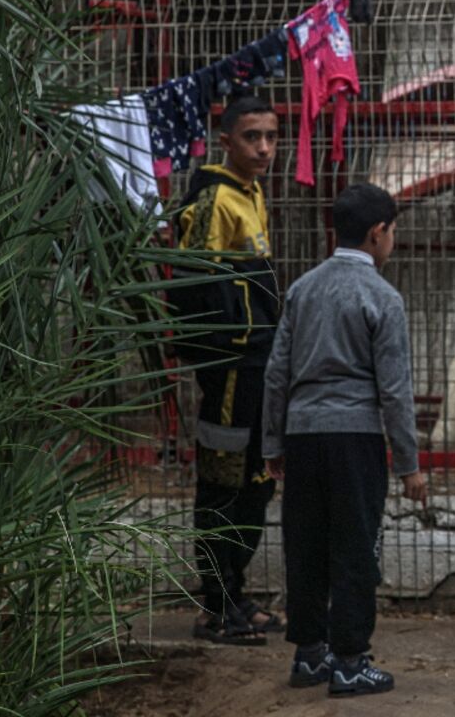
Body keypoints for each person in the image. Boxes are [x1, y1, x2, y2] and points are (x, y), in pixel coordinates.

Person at [261, 183, 427, 698]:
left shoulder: (302, 289)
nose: (393, 240)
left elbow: (276, 374)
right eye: (393, 232)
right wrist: (409, 464)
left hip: (303, 437)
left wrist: (272, 445)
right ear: (377, 234)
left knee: (306, 545)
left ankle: (310, 654)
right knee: (356, 548)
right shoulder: (382, 297)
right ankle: (352, 661)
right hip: (355, 439)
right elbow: (394, 391)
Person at [170, 93, 283, 646]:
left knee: (256, 483)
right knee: (222, 483)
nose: (264, 148)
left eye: (271, 136)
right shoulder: (215, 198)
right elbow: (196, 285)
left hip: (258, 366)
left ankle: (234, 593)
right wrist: (224, 352)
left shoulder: (252, 192)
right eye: (251, 137)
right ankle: (216, 606)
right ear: (226, 140)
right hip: (232, 368)